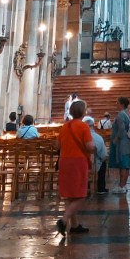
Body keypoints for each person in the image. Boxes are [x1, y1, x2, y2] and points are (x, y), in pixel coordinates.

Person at [55, 99, 95, 236]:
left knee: (70, 194)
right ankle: (64, 219)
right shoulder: (84, 127)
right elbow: (89, 146)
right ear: (83, 112)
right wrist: (95, 148)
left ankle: (75, 225)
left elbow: (57, 146)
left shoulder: (64, 127)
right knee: (80, 194)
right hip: (78, 161)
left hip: (64, 160)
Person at [109, 96, 130, 194]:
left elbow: (121, 129)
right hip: (127, 142)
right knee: (126, 164)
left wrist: (115, 139)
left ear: (122, 104)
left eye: (117, 102)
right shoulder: (127, 114)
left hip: (121, 143)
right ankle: (124, 184)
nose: (116, 104)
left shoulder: (120, 115)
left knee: (122, 164)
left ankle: (121, 186)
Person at [84, 115, 108, 195]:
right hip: (94, 163)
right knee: (103, 161)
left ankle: (85, 186)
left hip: (80, 163)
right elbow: (103, 155)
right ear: (93, 126)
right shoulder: (98, 138)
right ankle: (101, 188)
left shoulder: (79, 137)